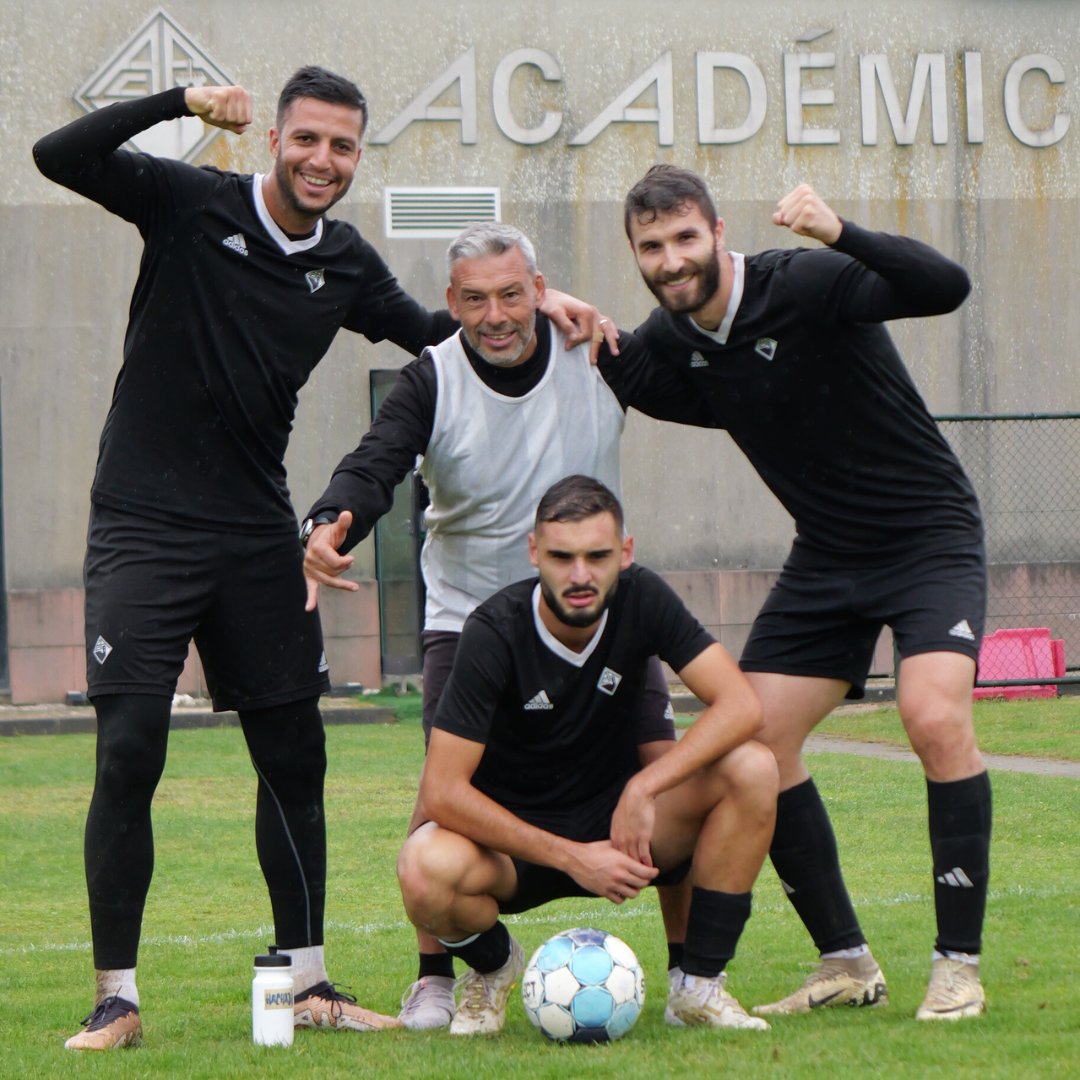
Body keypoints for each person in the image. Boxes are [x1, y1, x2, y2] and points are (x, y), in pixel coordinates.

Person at [31, 66, 605, 1052]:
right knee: (130, 750)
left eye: (342, 145)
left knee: (296, 754)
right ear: (275, 140)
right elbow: (58, 155)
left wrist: (538, 311)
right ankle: (116, 999)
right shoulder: (188, 200)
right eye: (306, 139)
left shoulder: (343, 262)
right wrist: (178, 103)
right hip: (143, 522)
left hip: (259, 532)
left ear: (356, 155)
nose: (322, 160)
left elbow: (443, 340)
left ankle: (307, 985)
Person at [302, 221, 709, 1029]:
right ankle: (440, 976)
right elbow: (376, 461)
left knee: (671, 785)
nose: (496, 316)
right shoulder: (431, 378)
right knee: (442, 806)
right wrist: (328, 520)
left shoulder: (596, 351)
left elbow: (704, 381)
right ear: (452, 302)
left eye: (513, 295)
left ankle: (692, 980)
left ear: (540, 290)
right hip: (472, 626)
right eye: (477, 299)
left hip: (599, 618)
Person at [621, 164, 991, 1021]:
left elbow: (945, 286)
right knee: (754, 743)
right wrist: (583, 329)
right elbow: (636, 380)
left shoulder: (807, 281)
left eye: (685, 237)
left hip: (926, 535)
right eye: (651, 246)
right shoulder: (671, 339)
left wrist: (840, 231)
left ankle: (958, 967)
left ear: (718, 233)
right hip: (827, 555)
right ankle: (847, 963)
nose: (671, 260)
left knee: (933, 717)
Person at [396, 475, 778, 1035]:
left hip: (624, 827)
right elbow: (441, 791)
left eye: (597, 556)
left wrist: (644, 787)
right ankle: (496, 967)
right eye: (562, 557)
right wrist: (573, 857)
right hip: (513, 848)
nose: (580, 576)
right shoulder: (494, 631)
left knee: (753, 767)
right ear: (534, 552)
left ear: (625, 552)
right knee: (422, 867)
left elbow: (742, 705)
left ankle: (697, 985)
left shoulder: (643, 597)